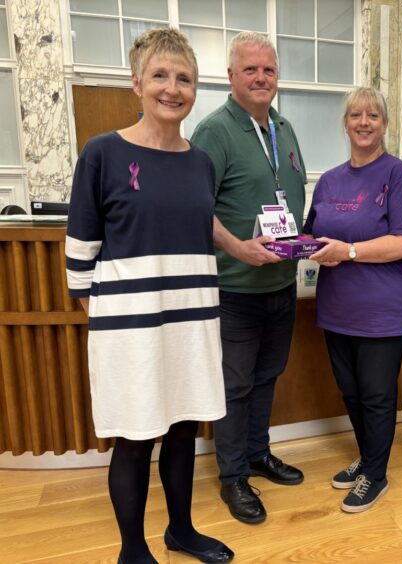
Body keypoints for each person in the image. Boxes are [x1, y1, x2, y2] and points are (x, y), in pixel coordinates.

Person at [65, 29, 233, 564]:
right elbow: (80, 253)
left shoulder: (201, 162)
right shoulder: (102, 152)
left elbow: (200, 232)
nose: (172, 88)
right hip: (131, 327)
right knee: (136, 437)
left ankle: (180, 530)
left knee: (184, 430)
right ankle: (133, 550)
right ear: (137, 82)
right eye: (160, 75)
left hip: (191, 323)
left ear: (195, 89)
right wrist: (114, 322)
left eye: (184, 78)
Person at [190, 31, 306, 525]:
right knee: (234, 387)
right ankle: (233, 476)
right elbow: (194, 208)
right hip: (235, 289)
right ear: (231, 76)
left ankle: (258, 453)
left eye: (269, 70)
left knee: (266, 377)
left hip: (281, 284)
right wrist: (237, 246)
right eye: (250, 69)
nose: (261, 77)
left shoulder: (283, 125)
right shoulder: (214, 130)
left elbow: (288, 195)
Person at [303, 87, 402, 513]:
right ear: (346, 123)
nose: (364, 122)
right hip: (337, 307)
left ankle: (376, 472)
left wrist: (348, 251)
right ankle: (368, 456)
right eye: (356, 115)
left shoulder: (398, 174)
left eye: (373, 115)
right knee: (350, 392)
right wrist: (286, 242)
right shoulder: (330, 180)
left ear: (385, 124)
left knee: (375, 394)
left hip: (383, 309)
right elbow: (312, 232)